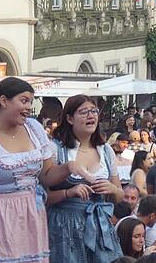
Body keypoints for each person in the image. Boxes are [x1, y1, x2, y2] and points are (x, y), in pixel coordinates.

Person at [0, 77, 86, 263]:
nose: (28, 107)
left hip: (31, 217)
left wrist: (68, 167)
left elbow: (47, 176)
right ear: (3, 101)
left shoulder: (34, 128)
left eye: (30, 102)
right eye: (24, 100)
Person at [46, 95, 123, 263]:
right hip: (64, 227)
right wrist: (68, 192)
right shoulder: (56, 150)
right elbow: (42, 196)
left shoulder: (106, 150)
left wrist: (113, 189)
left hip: (99, 225)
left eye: (94, 111)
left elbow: (120, 196)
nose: (91, 115)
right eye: (83, 112)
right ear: (69, 118)